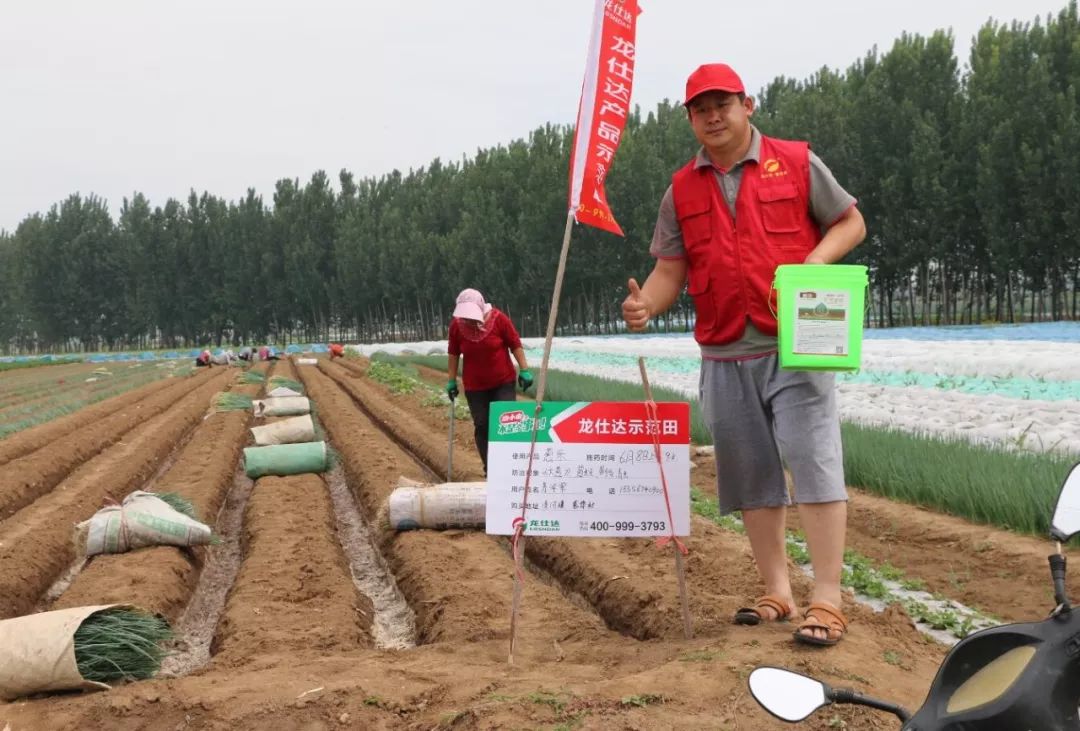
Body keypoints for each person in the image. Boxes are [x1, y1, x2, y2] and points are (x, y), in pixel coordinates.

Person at [621, 63, 866, 647]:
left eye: (722, 103)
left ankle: (827, 598)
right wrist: (646, 307)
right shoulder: (681, 188)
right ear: (689, 118)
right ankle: (777, 590)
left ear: (747, 104)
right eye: (700, 108)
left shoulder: (797, 162)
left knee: (813, 462)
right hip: (725, 348)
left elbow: (849, 221)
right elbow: (669, 270)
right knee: (751, 472)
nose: (712, 115)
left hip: (796, 344)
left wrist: (815, 262)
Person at [446, 288, 533, 475]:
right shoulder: (456, 327)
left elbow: (514, 343)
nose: (468, 320)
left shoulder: (499, 319)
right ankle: (491, 468)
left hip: (502, 381)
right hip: (475, 386)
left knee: (506, 423)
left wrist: (524, 369)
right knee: (483, 425)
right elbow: (453, 353)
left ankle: (511, 466)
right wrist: (451, 381)